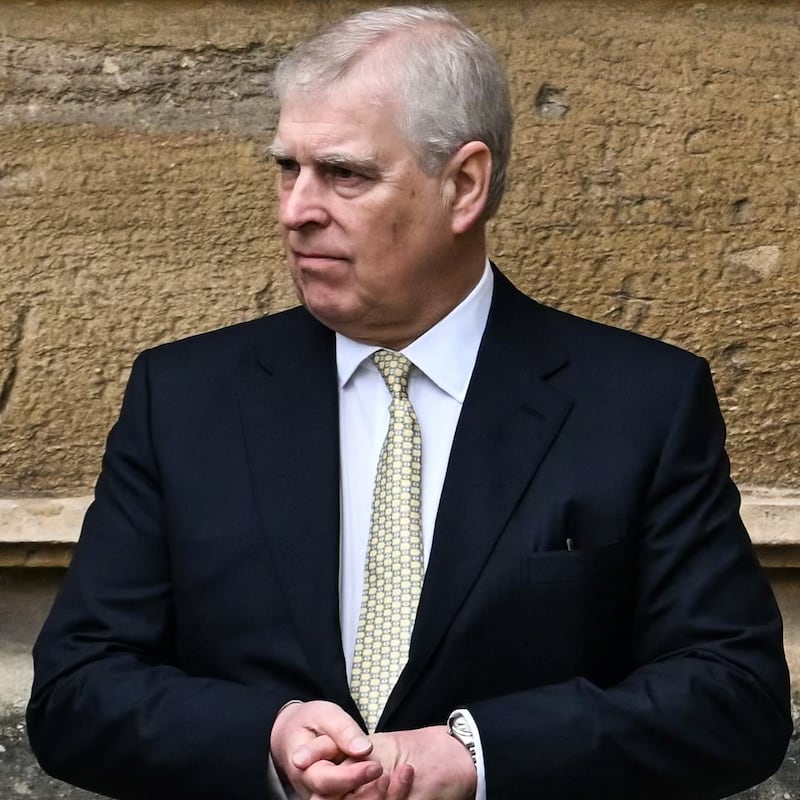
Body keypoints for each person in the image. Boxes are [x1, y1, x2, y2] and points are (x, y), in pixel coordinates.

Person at [27, 6, 791, 800]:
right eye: (288, 168)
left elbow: (735, 698)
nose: (295, 209)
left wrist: (477, 756)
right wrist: (268, 737)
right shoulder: (185, 398)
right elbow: (78, 690)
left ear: (464, 185)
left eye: (345, 174)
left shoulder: (640, 404)